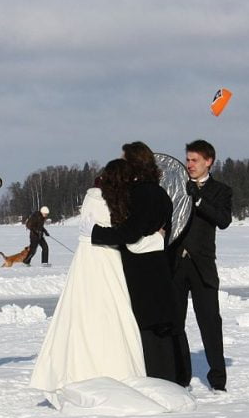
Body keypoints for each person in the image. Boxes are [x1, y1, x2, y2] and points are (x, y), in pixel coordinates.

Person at [29, 159, 145, 392]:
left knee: (82, 311)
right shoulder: (106, 200)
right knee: (111, 309)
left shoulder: (92, 197)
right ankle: (116, 368)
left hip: (86, 260)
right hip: (105, 257)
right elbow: (119, 229)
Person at [91, 142, 181, 383]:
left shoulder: (138, 193)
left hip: (140, 269)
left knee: (147, 329)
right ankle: (171, 379)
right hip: (159, 265)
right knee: (161, 328)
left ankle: (159, 383)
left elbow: (130, 233)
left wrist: (96, 234)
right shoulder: (161, 193)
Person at [171, 139, 232, 392]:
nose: (189, 165)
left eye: (194, 160)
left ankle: (217, 380)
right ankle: (181, 377)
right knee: (174, 322)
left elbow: (223, 220)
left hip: (203, 266)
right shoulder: (176, 188)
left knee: (209, 322)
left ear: (209, 162)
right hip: (175, 263)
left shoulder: (221, 190)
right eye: (187, 160)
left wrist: (198, 200)